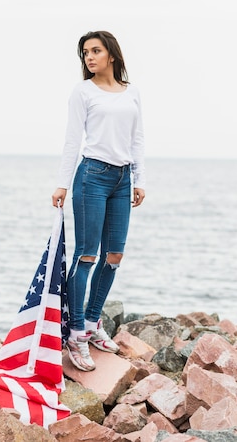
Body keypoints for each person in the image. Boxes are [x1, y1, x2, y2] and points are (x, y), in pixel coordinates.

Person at [52, 31, 145, 372]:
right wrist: (63, 183)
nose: (89, 57)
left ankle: (92, 324)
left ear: (111, 54)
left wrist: (140, 179)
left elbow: (137, 138)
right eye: (85, 53)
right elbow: (72, 139)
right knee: (87, 255)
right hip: (91, 175)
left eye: (95, 50)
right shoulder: (83, 92)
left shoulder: (131, 91)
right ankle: (75, 333)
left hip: (123, 180)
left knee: (114, 255)